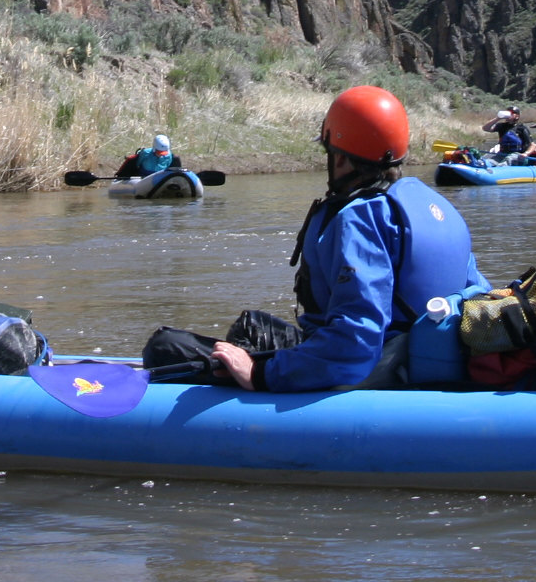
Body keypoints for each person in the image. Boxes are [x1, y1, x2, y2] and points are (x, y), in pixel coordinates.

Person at [143, 86, 480, 392]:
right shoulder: (437, 208)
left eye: (330, 152)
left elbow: (356, 340)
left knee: (166, 348)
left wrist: (260, 374)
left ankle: (248, 401)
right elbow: (476, 295)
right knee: (252, 326)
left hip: (374, 374)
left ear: (343, 157)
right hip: (421, 361)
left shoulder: (360, 218)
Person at [114, 133, 182, 179]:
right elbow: (137, 164)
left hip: (160, 177)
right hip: (143, 176)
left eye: (163, 153)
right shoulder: (145, 153)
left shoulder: (170, 156)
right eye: (159, 152)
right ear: (154, 148)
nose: (161, 155)